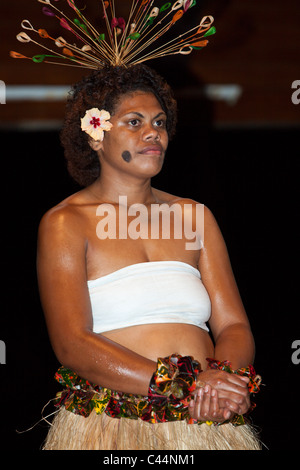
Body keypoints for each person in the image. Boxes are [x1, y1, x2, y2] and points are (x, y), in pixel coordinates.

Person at [37, 64, 261, 450]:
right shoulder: (66, 223)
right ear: (95, 135)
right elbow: (72, 343)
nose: (152, 132)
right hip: (114, 427)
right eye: (134, 121)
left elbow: (234, 327)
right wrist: (182, 386)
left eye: (159, 122)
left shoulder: (195, 217)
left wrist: (227, 382)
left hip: (204, 421)